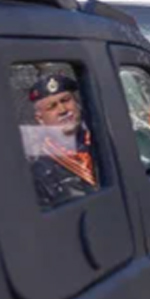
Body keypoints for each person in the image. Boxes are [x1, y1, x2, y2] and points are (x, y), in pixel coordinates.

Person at [25, 74, 99, 205]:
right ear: (40, 119)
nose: (63, 110)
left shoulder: (103, 139)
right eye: (52, 107)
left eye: (65, 100)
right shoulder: (40, 172)